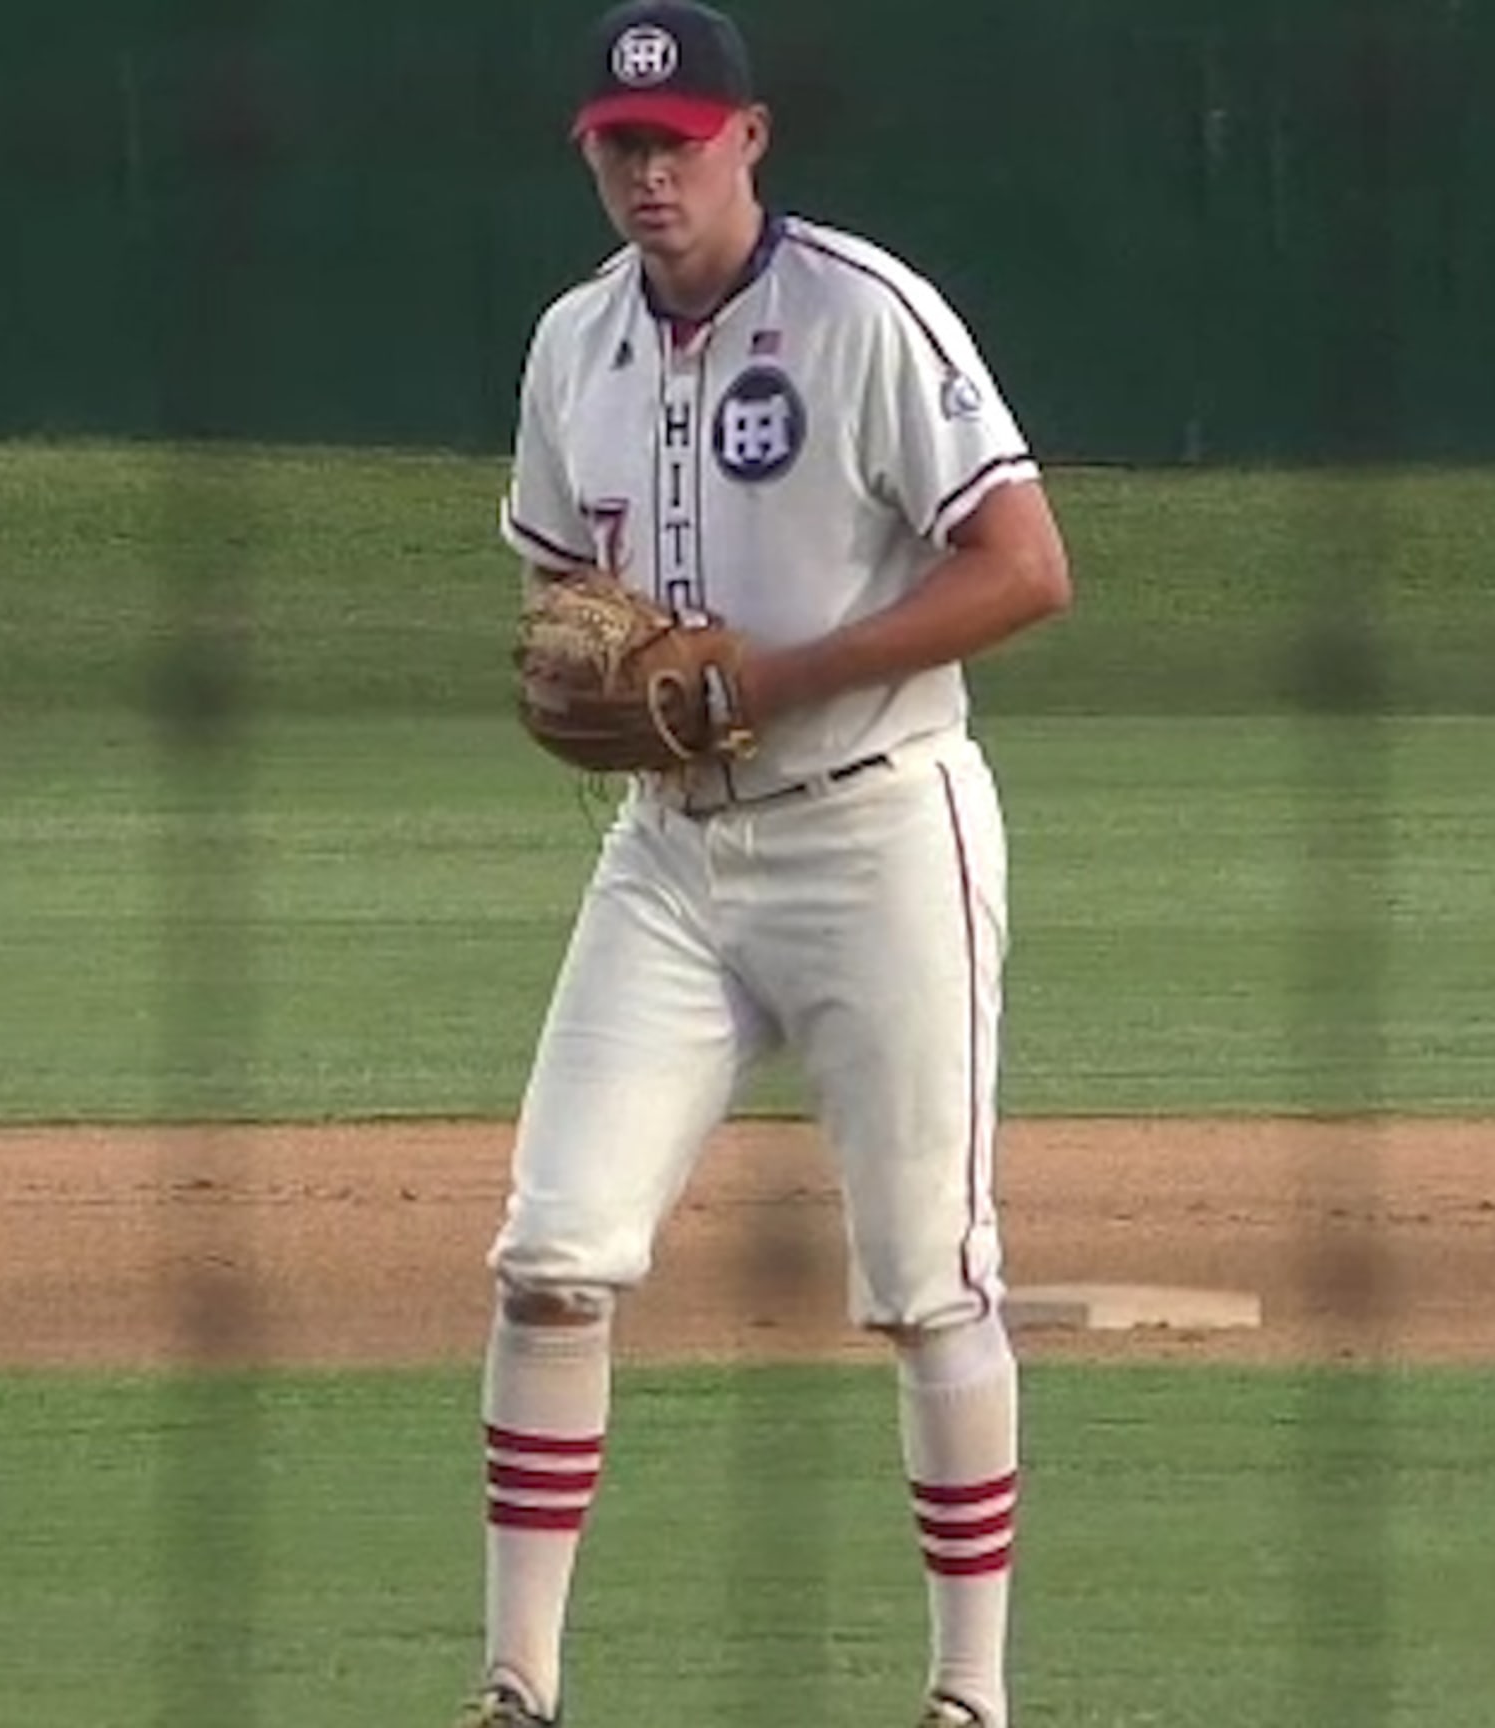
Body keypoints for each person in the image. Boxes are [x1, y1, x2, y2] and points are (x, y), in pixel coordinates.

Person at [463, 4, 1075, 1726]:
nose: (647, 173)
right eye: (618, 145)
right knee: (552, 1254)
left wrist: (779, 675)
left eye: (678, 140)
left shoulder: (864, 317)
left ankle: (969, 1700)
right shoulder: (569, 345)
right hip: (668, 859)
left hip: (880, 832)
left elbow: (1028, 567)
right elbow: (554, 596)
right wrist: (601, 681)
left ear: (751, 139)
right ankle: (517, 1690)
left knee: (928, 1283)